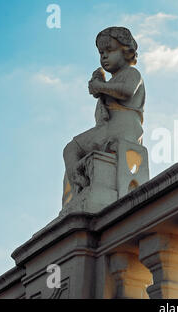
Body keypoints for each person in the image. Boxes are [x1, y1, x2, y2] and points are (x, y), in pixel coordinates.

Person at [63, 26, 145, 194]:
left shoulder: (132, 73)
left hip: (122, 128)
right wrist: (100, 84)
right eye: (101, 53)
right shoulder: (112, 82)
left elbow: (126, 91)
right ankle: (83, 185)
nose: (104, 56)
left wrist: (100, 86)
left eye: (110, 50)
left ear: (126, 52)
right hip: (111, 129)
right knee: (72, 150)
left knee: (72, 149)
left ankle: (80, 184)